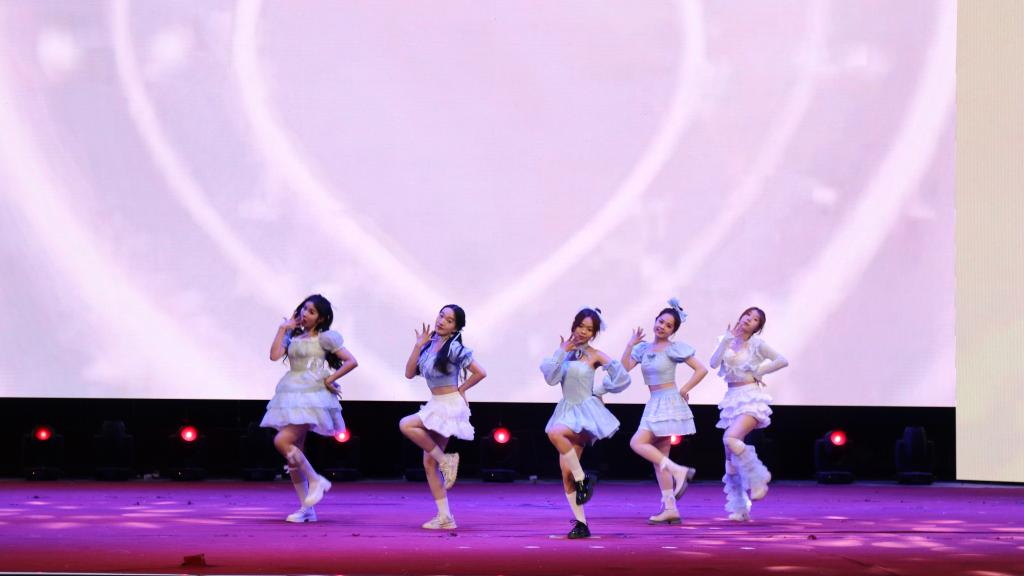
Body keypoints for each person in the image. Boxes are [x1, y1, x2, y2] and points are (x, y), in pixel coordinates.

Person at [261, 294, 358, 523]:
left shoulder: (325, 338)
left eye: (311, 311)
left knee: (281, 441)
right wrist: (283, 329)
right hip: (290, 393)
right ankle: (307, 509)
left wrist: (329, 379)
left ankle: (316, 480)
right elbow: (274, 356)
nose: (305, 313)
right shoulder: (294, 336)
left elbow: (351, 361)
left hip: (312, 395)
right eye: (304, 309)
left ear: (321, 318)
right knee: (294, 454)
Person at [541, 307, 631, 539]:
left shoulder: (596, 355)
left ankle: (583, 479)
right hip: (566, 411)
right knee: (566, 474)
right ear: (574, 325)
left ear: (594, 333)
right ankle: (582, 524)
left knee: (555, 433)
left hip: (584, 414)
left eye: (589, 329)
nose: (583, 331)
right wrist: (561, 351)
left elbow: (622, 377)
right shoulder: (565, 351)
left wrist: (600, 390)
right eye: (581, 326)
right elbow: (551, 378)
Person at [399, 304, 487, 530]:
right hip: (436, 403)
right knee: (429, 463)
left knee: (406, 424)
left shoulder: (454, 348)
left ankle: (446, 460)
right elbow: (409, 373)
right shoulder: (429, 346)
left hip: (448, 405)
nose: (441, 321)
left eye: (449, 320)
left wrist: (462, 390)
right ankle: (445, 517)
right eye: (441, 316)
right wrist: (418, 346)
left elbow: (481, 372)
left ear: (455, 327)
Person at [621, 298, 708, 524]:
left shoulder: (674, 348)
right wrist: (630, 344)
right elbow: (623, 369)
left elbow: (701, 369)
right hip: (654, 402)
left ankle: (679, 471)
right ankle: (671, 508)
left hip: (668, 401)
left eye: (668, 325)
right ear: (655, 321)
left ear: (673, 331)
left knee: (637, 442)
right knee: (659, 460)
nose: (662, 326)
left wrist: (685, 389)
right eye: (661, 321)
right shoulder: (643, 348)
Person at [709, 306, 788, 521]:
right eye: (747, 315)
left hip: (751, 397)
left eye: (754, 320)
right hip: (732, 399)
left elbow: (782, 360)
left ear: (757, 328)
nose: (748, 320)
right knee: (730, 457)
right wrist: (726, 340)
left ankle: (758, 478)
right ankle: (740, 508)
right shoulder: (724, 339)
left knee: (730, 438)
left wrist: (760, 371)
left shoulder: (756, 344)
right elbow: (713, 363)